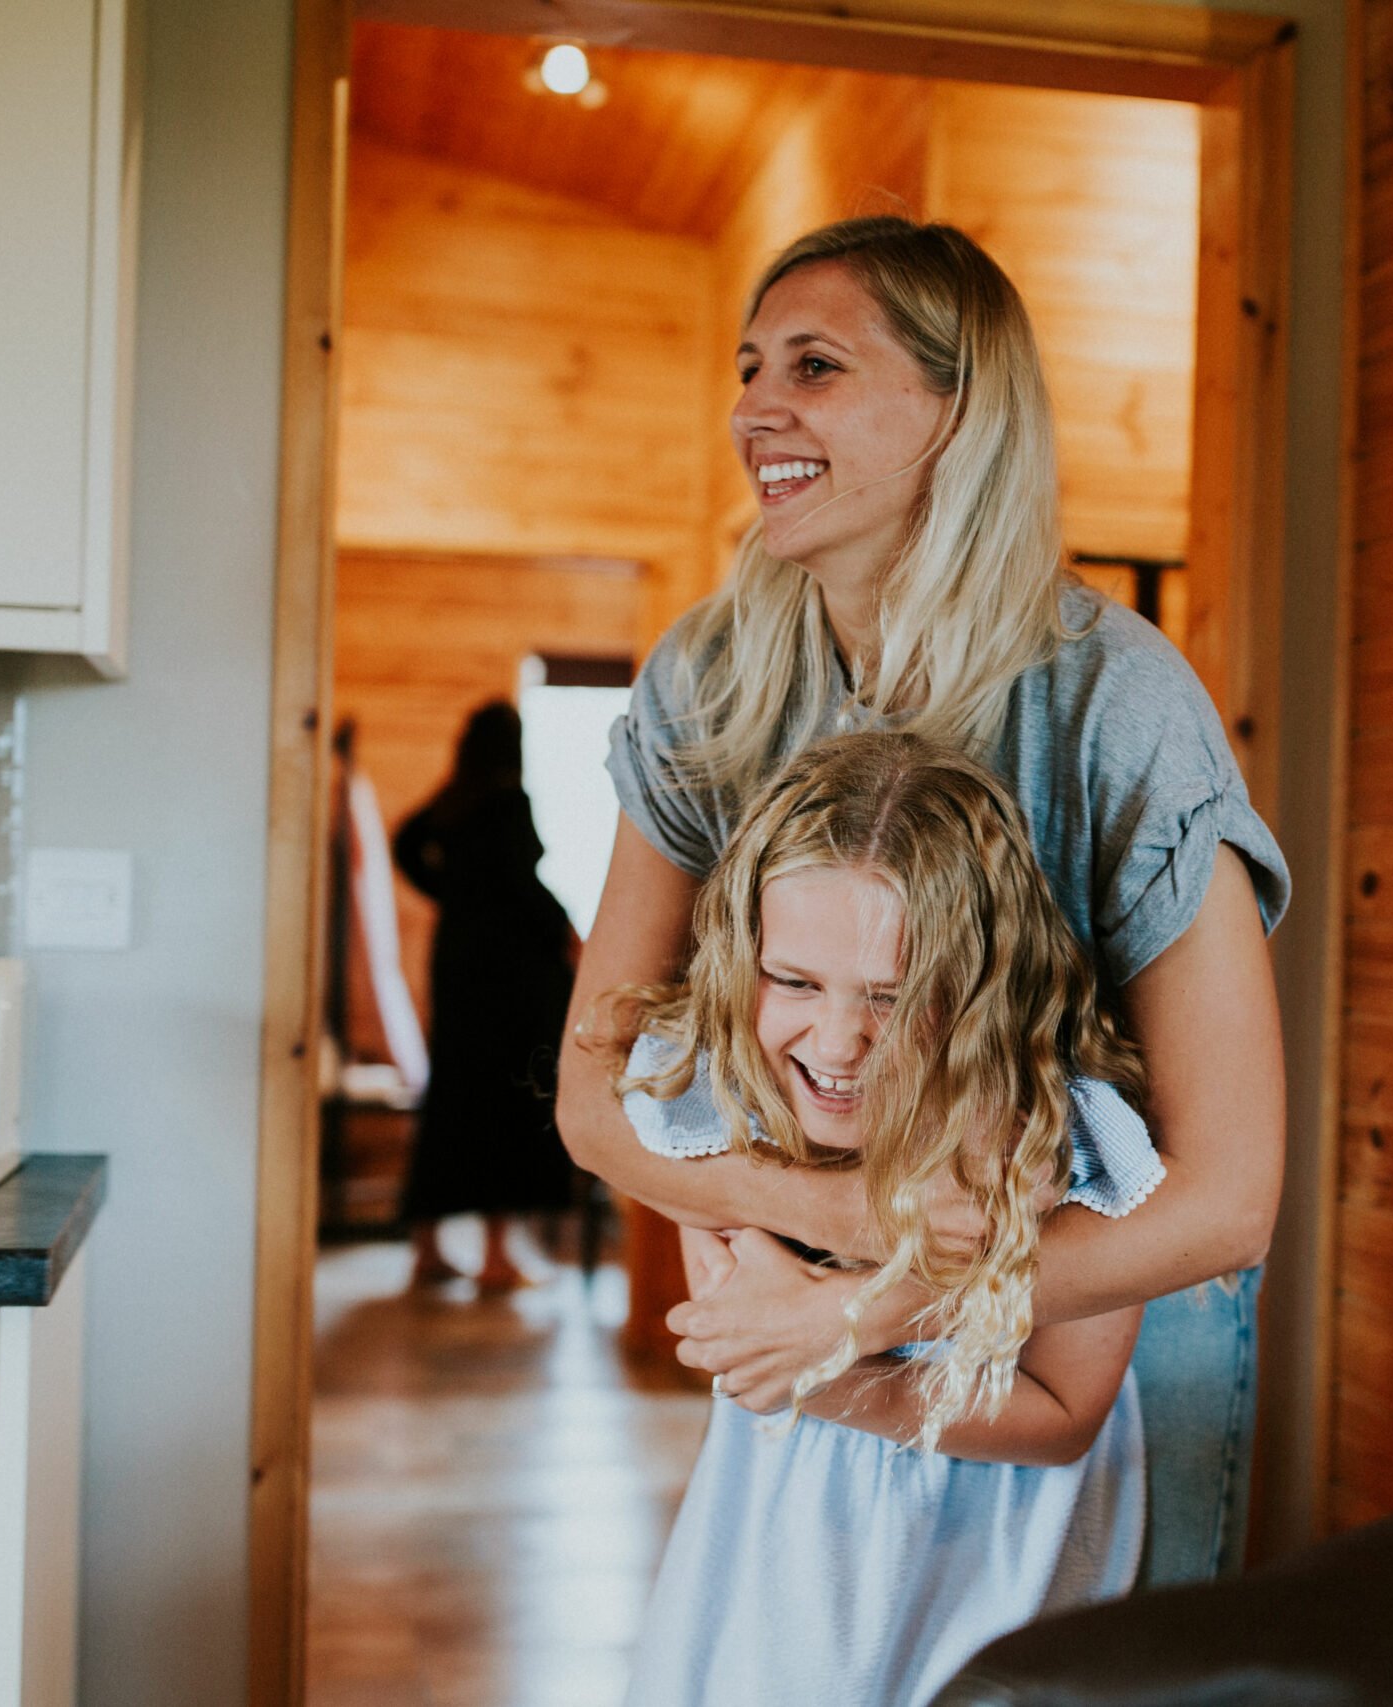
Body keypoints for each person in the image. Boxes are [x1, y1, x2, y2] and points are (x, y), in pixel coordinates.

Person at [558, 216, 1289, 1584]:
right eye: (749, 366)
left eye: (815, 366)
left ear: (960, 410)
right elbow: (591, 1088)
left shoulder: (1119, 704)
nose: (753, 409)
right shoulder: (707, 682)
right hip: (818, 1346)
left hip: (1098, 1340)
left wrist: (867, 1293)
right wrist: (812, 1259)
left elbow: (1228, 1197)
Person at [610, 733, 1164, 1707]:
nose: (835, 1041)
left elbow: (1066, 1415)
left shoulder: (1065, 1138)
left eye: (893, 997)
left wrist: (822, 1375)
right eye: (793, 981)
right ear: (746, 955)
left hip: (989, 1549)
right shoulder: (727, 1096)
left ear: (982, 984)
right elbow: (734, 1324)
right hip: (785, 1545)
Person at [396, 699, 578, 1289]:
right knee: (504, 1107)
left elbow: (405, 843)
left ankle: (426, 1249)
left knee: (451, 1100)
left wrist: (451, 895)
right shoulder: (506, 801)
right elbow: (524, 885)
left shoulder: (455, 801)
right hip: (506, 979)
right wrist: (567, 931)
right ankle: (496, 1258)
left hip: (456, 969)